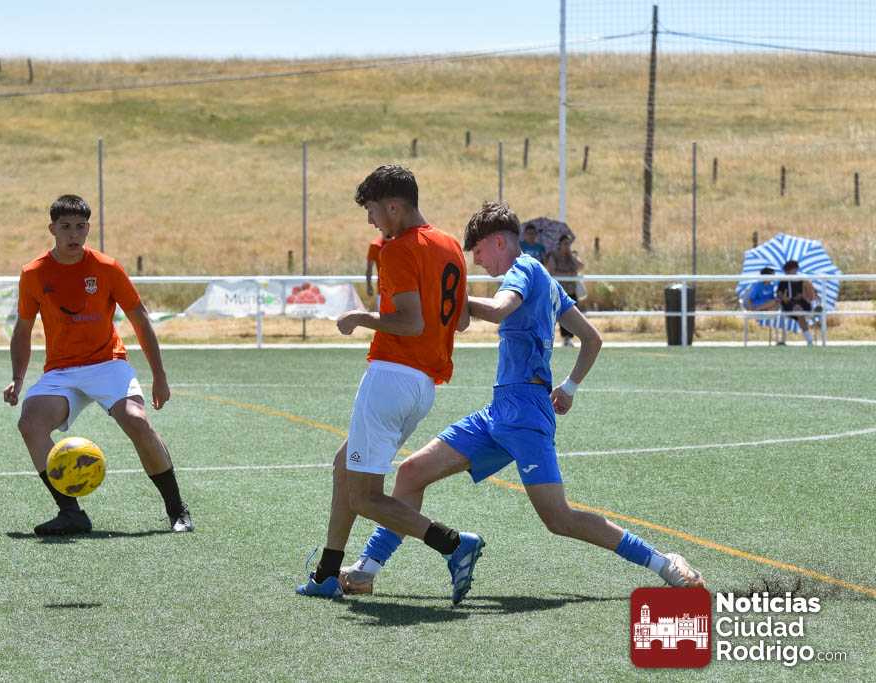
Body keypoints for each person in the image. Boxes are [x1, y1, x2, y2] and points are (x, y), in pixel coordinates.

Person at [339, 201, 705, 597]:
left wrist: (451, 298)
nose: (477, 261)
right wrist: (569, 388)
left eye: (479, 251)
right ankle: (366, 570)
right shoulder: (545, 279)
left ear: (499, 242)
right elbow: (591, 338)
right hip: (501, 411)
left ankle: (663, 562)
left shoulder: (524, 269)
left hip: (526, 414)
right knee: (412, 472)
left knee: (559, 518)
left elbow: (500, 310)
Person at [296, 165, 482, 603]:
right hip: (423, 386)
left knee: (364, 497)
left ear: (395, 206)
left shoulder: (398, 249)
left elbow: (410, 322)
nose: (370, 220)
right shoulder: (449, 245)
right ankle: (327, 573)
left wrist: (361, 318)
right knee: (345, 466)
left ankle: (454, 544)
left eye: (373, 210)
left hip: (392, 378)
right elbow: (461, 320)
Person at [2, 194, 192, 536]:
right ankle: (70, 513)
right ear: (52, 229)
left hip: (108, 363)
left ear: (88, 228)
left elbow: (140, 319)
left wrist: (159, 376)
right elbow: (23, 328)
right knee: (30, 424)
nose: (73, 234)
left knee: (136, 421)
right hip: (61, 372)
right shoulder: (33, 273)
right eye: (65, 227)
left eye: (80, 227)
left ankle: (177, 509)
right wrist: (17, 378)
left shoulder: (107, 267)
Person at [545, 234, 585, 346]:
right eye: (565, 244)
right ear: (559, 244)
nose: (567, 246)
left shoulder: (572, 256)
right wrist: (568, 274)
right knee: (560, 314)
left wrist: (571, 255)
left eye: (569, 244)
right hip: (559, 291)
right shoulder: (553, 256)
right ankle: (560, 338)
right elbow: (551, 272)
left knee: (573, 315)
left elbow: (581, 266)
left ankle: (569, 338)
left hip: (571, 290)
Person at [776, 260, 817, 346]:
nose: (794, 271)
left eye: (795, 269)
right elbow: (780, 295)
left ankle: (809, 340)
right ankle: (809, 340)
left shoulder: (803, 280)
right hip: (789, 304)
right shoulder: (783, 281)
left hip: (804, 303)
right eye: (790, 270)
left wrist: (802, 295)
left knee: (799, 310)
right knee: (798, 311)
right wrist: (785, 298)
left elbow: (811, 295)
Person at [364, 235, 384, 310]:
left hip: (399, 290)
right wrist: (369, 285)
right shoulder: (375, 245)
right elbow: (369, 268)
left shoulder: (399, 242)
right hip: (382, 290)